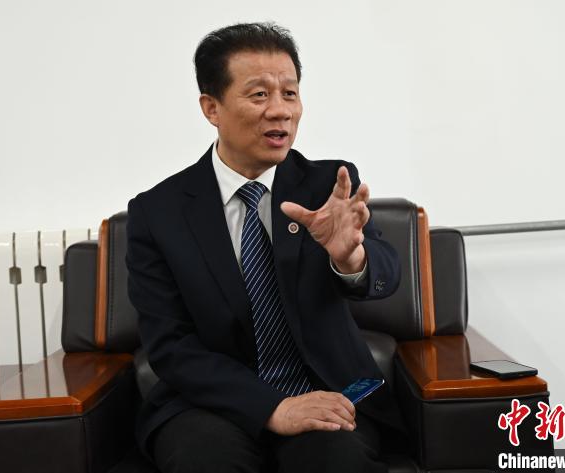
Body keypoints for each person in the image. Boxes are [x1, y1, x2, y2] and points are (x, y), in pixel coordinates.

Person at [126, 22, 405, 473]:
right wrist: (273, 407)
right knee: (206, 461)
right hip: (209, 403)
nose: (280, 111)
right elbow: (170, 345)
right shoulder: (158, 212)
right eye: (259, 95)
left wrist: (349, 257)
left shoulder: (329, 185)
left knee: (333, 461)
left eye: (289, 94)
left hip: (327, 388)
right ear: (211, 108)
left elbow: (386, 273)